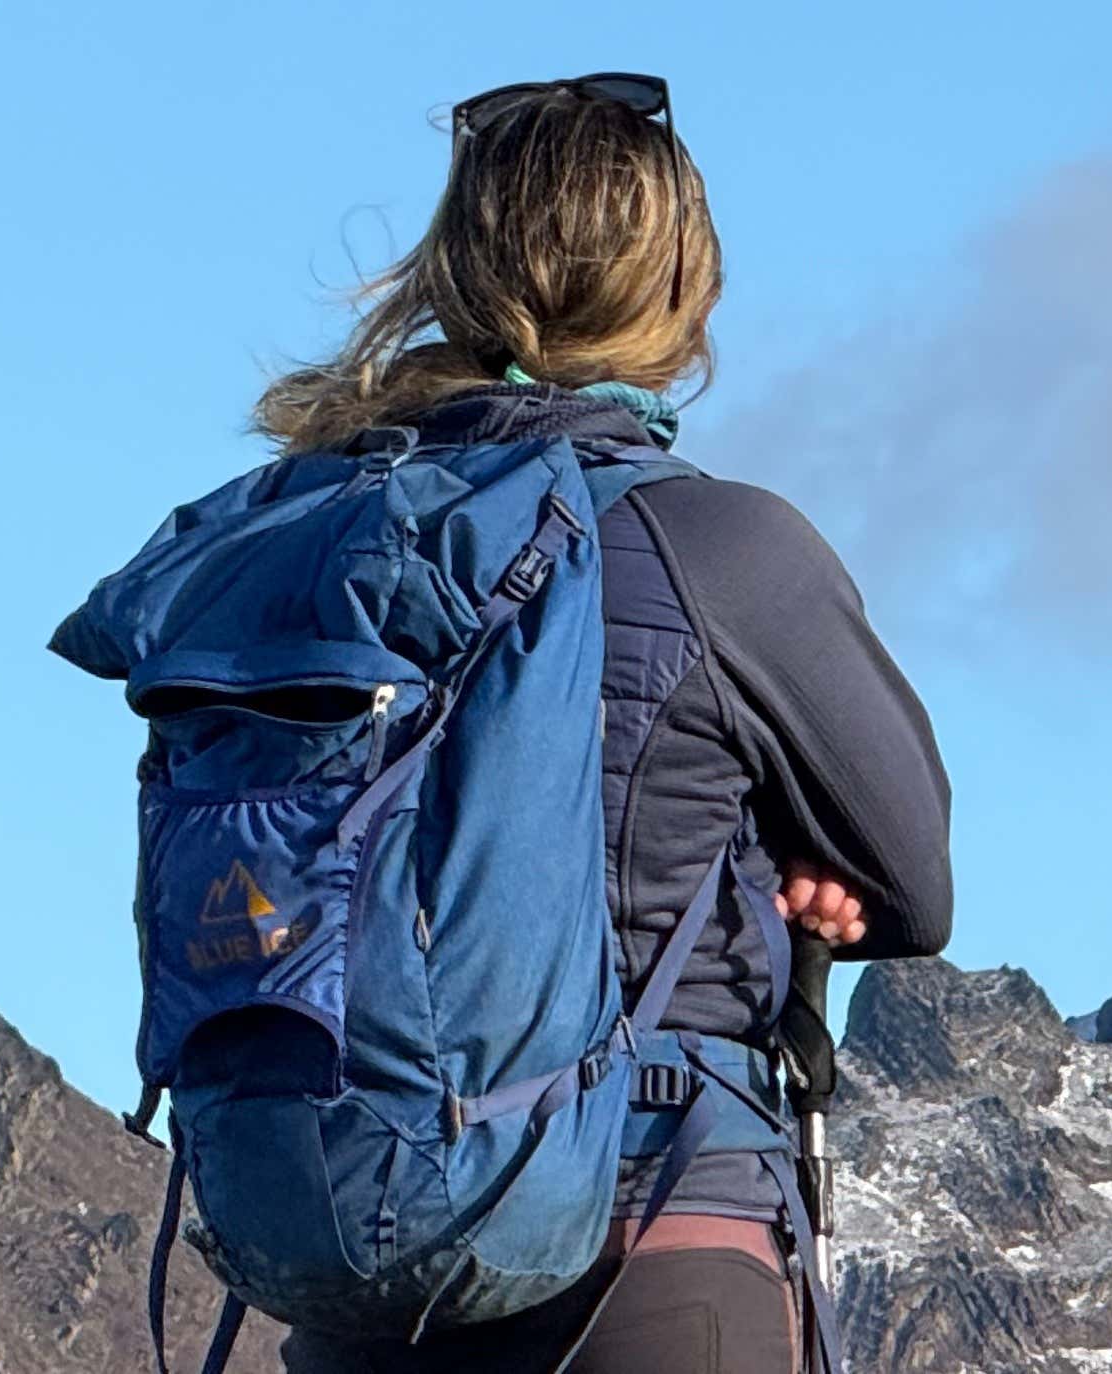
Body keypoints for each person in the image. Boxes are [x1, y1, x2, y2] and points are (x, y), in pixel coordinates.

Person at [261, 73, 952, 1374]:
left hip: (366, 1246)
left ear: (456, 273)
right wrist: (784, 870)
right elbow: (911, 883)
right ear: (681, 293)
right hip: (656, 1238)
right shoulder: (725, 548)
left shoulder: (314, 543)